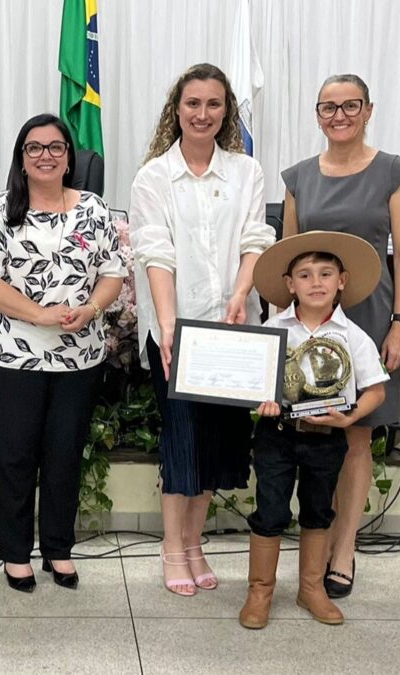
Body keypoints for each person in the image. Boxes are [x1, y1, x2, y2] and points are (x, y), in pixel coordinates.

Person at [129, 63, 275, 596]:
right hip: (177, 331)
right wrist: (168, 325)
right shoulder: (153, 177)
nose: (203, 113)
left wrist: (241, 294)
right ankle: (173, 548)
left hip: (234, 333)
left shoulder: (245, 171)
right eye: (193, 103)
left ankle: (196, 545)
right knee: (182, 441)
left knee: (216, 446)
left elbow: (254, 238)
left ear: (226, 112)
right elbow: (155, 251)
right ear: (177, 109)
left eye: (214, 104)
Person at [0, 114, 126, 592]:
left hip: (78, 356)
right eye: (34, 148)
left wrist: (92, 308)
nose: (45, 155)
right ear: (21, 158)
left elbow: (112, 271)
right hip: (8, 356)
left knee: (64, 456)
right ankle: (15, 554)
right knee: (14, 457)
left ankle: (58, 549)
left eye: (55, 147)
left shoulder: (95, 209)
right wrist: (38, 314)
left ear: (69, 158)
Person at [281, 73, 400, 598]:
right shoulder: (297, 177)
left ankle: (344, 548)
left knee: (357, 431)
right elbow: (286, 258)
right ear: (317, 115)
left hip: (368, 314)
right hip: (308, 316)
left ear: (368, 109)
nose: (339, 115)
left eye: (350, 105)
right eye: (328, 107)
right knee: (310, 427)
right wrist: (280, 332)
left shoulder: (392, 171)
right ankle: (314, 536)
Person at [239, 231, 388, 629]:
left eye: (325, 273)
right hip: (277, 436)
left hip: (327, 438)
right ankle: (260, 591)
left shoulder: (351, 336)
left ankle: (311, 589)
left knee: (319, 511)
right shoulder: (275, 328)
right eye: (305, 275)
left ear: (342, 280)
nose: (316, 283)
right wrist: (264, 403)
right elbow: (256, 382)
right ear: (290, 285)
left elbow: (375, 389)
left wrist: (352, 417)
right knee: (270, 509)